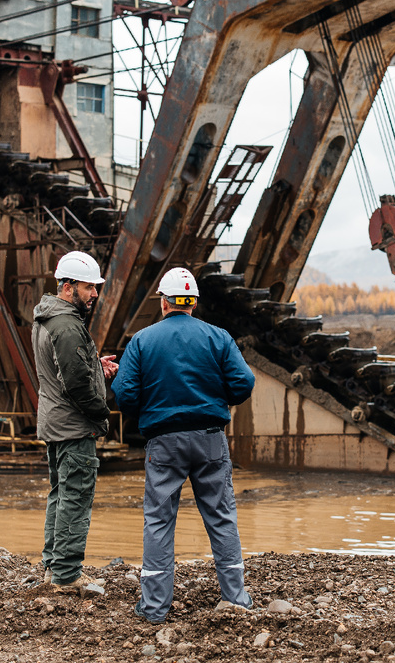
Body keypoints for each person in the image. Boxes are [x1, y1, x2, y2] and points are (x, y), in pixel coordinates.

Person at [110, 267, 255, 624]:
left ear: (163, 302)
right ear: (193, 303)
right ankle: (235, 599)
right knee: (221, 516)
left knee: (159, 520)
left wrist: (152, 405)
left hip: (163, 442)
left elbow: (124, 395)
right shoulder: (218, 337)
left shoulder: (142, 341)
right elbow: (243, 384)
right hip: (210, 438)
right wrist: (213, 397)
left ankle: (155, 609)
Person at [32, 250, 118, 592]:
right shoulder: (68, 326)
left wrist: (95, 364)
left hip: (55, 422)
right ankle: (67, 575)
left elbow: (65, 370)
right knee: (76, 495)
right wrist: (101, 414)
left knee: (60, 493)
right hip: (72, 425)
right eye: (88, 287)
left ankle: (54, 567)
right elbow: (76, 384)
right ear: (67, 287)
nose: (94, 294)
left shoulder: (48, 318)